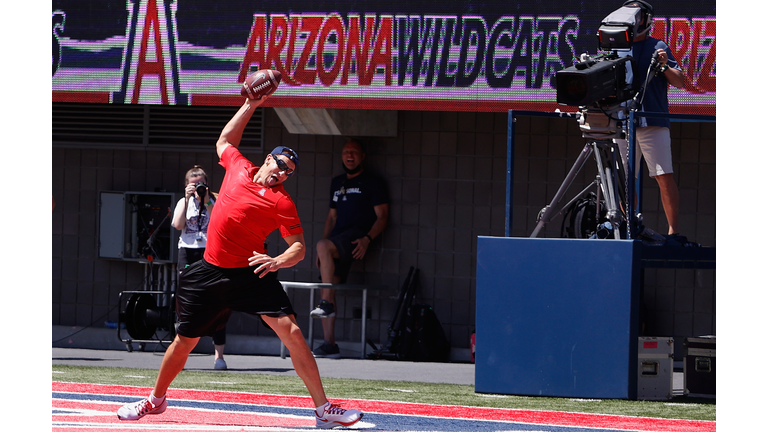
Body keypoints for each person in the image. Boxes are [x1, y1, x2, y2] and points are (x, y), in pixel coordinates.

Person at [117, 95, 364, 429]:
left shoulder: (282, 203)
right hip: (208, 271)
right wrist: (251, 103)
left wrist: (277, 260)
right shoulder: (238, 167)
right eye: (281, 164)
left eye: (289, 172)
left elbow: (300, 249)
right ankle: (155, 401)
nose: (283, 172)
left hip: (251, 274)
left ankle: (323, 410)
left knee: (292, 332)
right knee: (184, 341)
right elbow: (224, 140)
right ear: (267, 160)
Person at [310, 139, 389, 359]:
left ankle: (325, 304)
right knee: (330, 285)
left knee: (326, 291)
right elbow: (331, 217)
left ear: (362, 156)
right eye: (346, 152)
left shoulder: (373, 182)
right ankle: (330, 344)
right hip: (337, 241)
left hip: (356, 238)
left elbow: (383, 217)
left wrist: (367, 239)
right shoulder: (337, 182)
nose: (349, 155)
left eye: (354, 152)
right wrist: (321, 250)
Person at [615, 1, 687, 240]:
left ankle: (673, 231)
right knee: (625, 179)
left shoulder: (658, 45)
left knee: (663, 174)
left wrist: (665, 64)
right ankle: (629, 227)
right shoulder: (615, 47)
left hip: (652, 119)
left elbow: (680, 81)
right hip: (622, 121)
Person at [171, 165, 228, 371]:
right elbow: (177, 225)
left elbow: (221, 222)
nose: (198, 188)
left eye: (201, 184)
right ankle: (180, 355)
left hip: (210, 251)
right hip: (188, 251)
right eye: (194, 185)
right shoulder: (182, 202)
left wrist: (206, 200)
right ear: (187, 185)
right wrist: (187, 200)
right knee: (186, 302)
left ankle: (218, 356)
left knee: (217, 301)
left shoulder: (215, 198)